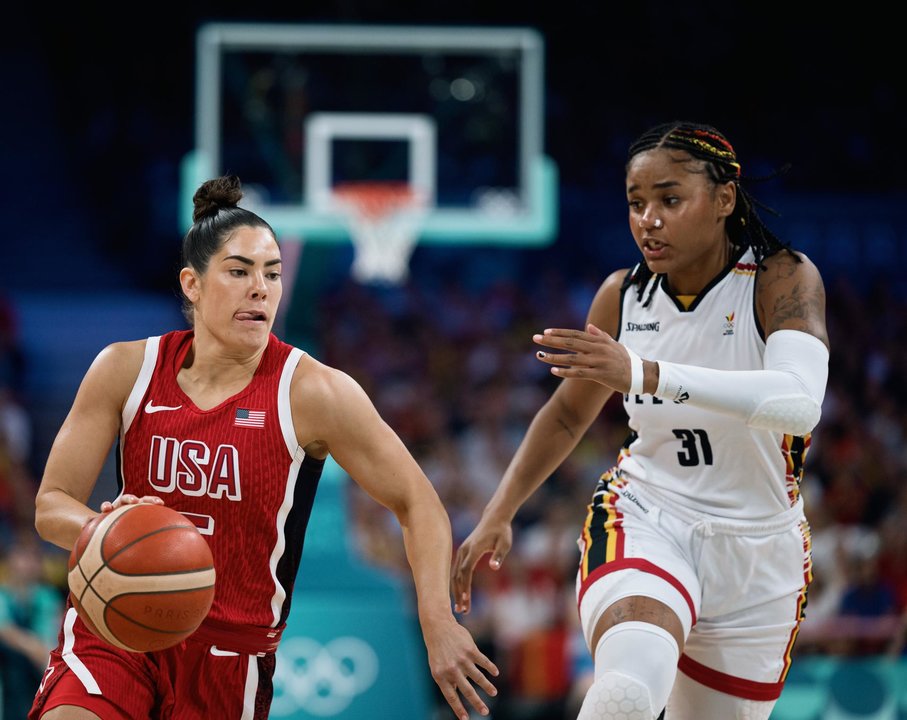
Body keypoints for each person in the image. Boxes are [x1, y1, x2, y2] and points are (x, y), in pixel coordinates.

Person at [29, 175, 498, 720]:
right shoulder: (125, 369)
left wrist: (437, 622)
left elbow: (419, 504)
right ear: (192, 284)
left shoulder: (315, 392)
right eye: (239, 271)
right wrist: (103, 530)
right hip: (115, 627)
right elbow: (51, 504)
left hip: (230, 657)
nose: (261, 288)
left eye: (272, 274)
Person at [452, 121, 830, 719]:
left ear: (724, 198)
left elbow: (799, 402)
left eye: (670, 200)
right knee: (624, 696)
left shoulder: (781, 277)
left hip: (761, 553)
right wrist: (499, 512)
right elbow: (566, 415)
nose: (648, 219)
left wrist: (645, 373)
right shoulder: (622, 296)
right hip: (649, 516)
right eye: (636, 203)